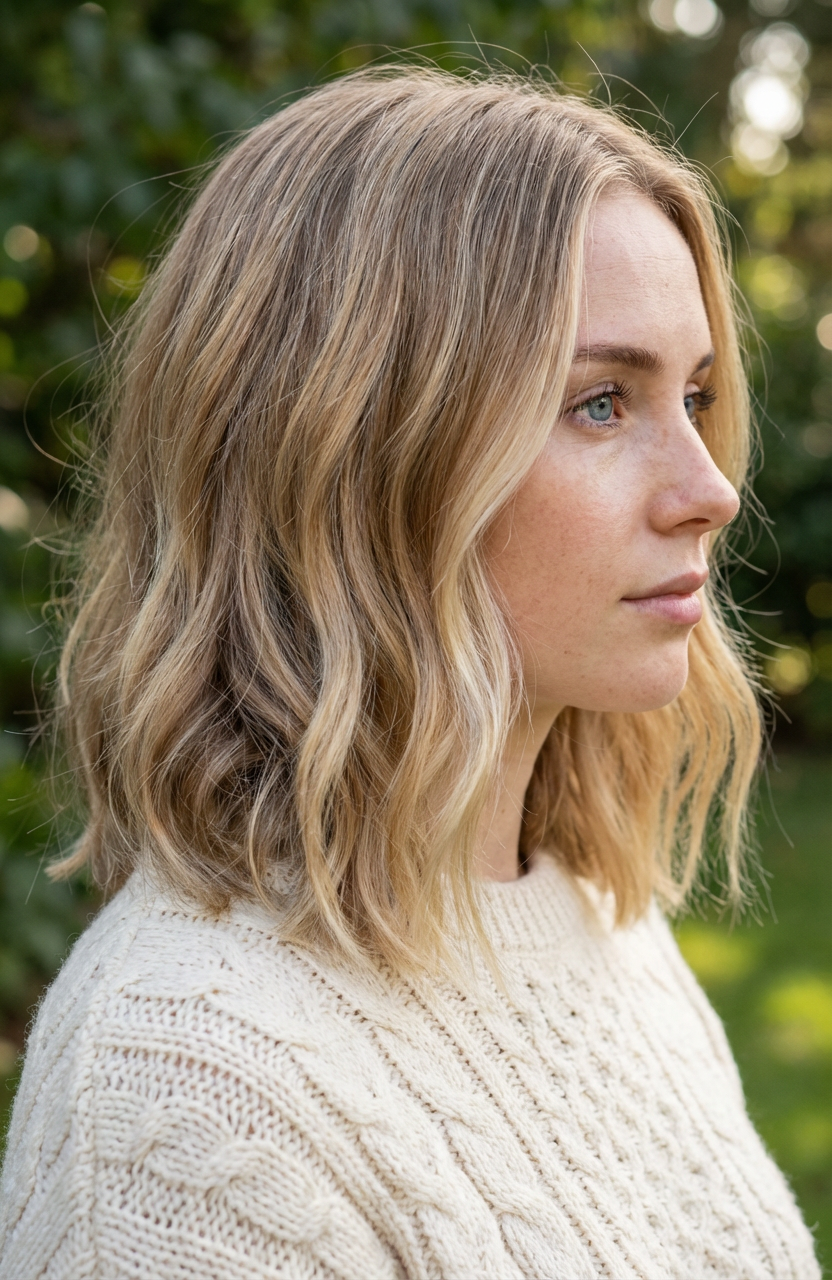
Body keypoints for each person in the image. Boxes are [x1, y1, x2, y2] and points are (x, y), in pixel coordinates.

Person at [0, 67, 821, 1280]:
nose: (709, 488)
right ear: (355, 455)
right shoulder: (191, 1084)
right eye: (600, 402)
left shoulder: (592, 916)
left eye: (694, 394)